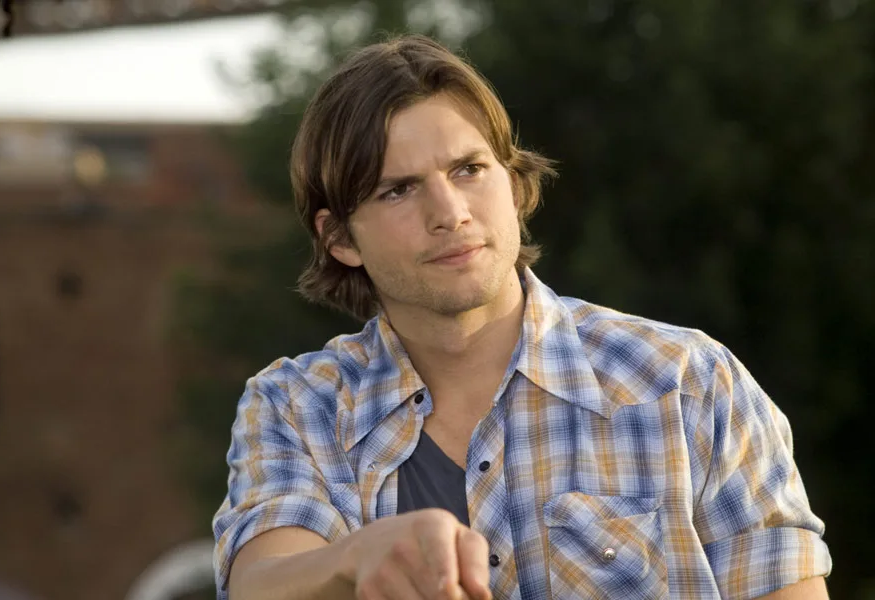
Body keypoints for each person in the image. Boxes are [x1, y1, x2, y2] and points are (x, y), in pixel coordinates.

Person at [212, 34, 832, 600]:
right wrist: (354, 558)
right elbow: (260, 583)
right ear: (340, 238)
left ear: (512, 185)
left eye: (468, 170)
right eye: (398, 189)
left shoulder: (688, 383)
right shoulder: (298, 406)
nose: (450, 213)